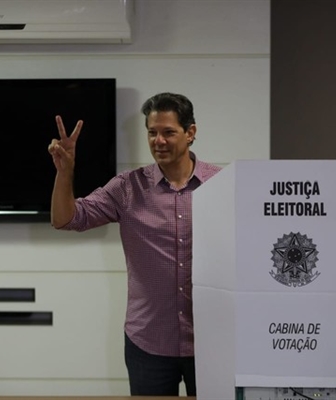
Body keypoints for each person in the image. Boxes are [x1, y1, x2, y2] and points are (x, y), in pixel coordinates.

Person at [48, 92, 221, 396]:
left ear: (190, 132)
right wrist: (65, 172)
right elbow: (67, 219)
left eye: (168, 132)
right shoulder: (128, 188)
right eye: (152, 133)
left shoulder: (222, 185)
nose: (159, 141)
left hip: (211, 341)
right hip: (148, 342)